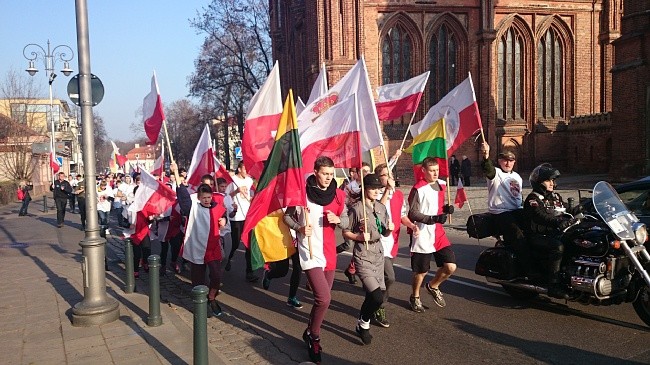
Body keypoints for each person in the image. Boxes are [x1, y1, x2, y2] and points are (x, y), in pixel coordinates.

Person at [283, 156, 348, 364]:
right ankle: (315, 336)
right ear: (315, 172)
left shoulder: (338, 195)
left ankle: (309, 331)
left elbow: (346, 220)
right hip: (309, 250)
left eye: (331, 174)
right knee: (324, 298)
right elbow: (287, 217)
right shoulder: (301, 192)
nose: (329, 178)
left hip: (329, 252)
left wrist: (339, 220)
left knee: (323, 300)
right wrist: (299, 228)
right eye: (325, 174)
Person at [343, 173, 393, 345]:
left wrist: (389, 230)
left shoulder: (381, 207)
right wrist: (358, 237)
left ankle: (362, 323)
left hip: (378, 252)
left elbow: (384, 231)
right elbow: (346, 231)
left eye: (378, 188)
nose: (376, 191)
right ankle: (364, 324)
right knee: (377, 297)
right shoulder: (357, 209)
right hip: (363, 254)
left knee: (372, 297)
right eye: (372, 188)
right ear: (365, 189)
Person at [371, 163, 418, 327]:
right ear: (379, 178)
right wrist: (385, 191)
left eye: (390, 174)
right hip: (377, 242)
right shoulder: (375, 194)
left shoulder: (398, 195)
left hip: (392, 243)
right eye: (384, 175)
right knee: (389, 277)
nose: (388, 177)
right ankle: (379, 306)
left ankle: (374, 300)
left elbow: (402, 215)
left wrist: (411, 225)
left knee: (382, 279)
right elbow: (379, 209)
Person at [407, 157, 456, 312]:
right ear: (424, 171)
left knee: (450, 266)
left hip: (438, 233)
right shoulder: (418, 189)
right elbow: (412, 212)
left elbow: (439, 206)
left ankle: (433, 285)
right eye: (432, 170)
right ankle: (415, 297)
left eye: (437, 170)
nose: (435, 173)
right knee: (421, 271)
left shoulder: (442, 184)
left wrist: (447, 209)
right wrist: (431, 218)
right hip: (422, 233)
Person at [479, 143, 534, 277]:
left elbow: (518, 195)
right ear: (499, 161)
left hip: (516, 209)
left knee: (534, 228)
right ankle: (528, 269)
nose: (507, 163)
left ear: (514, 162)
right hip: (501, 212)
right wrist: (486, 156)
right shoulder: (496, 173)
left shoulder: (517, 177)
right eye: (505, 160)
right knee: (517, 235)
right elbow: (488, 170)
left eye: (510, 161)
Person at [523, 163, 577, 299]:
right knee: (557, 247)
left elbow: (566, 209)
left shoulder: (555, 197)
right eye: (548, 180)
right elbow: (540, 216)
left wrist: (580, 209)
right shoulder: (533, 199)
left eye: (553, 180)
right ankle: (553, 284)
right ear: (539, 182)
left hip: (555, 233)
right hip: (538, 235)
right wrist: (558, 221)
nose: (552, 183)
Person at [180, 183, 227, 317]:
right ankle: (200, 305)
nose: (206, 200)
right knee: (198, 279)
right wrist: (178, 178)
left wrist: (224, 220)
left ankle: (211, 297)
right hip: (197, 248)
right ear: (199, 198)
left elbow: (225, 216)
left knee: (216, 276)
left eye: (208, 197)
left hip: (213, 247)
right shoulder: (193, 208)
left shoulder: (217, 208)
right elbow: (184, 200)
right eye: (204, 197)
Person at [224, 161, 258, 282]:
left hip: (247, 216)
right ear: (239, 169)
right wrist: (236, 192)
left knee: (249, 244)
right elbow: (226, 196)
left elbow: (253, 193)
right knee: (235, 243)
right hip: (236, 217)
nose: (246, 171)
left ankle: (249, 272)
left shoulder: (249, 181)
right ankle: (228, 258)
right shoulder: (232, 181)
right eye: (244, 169)